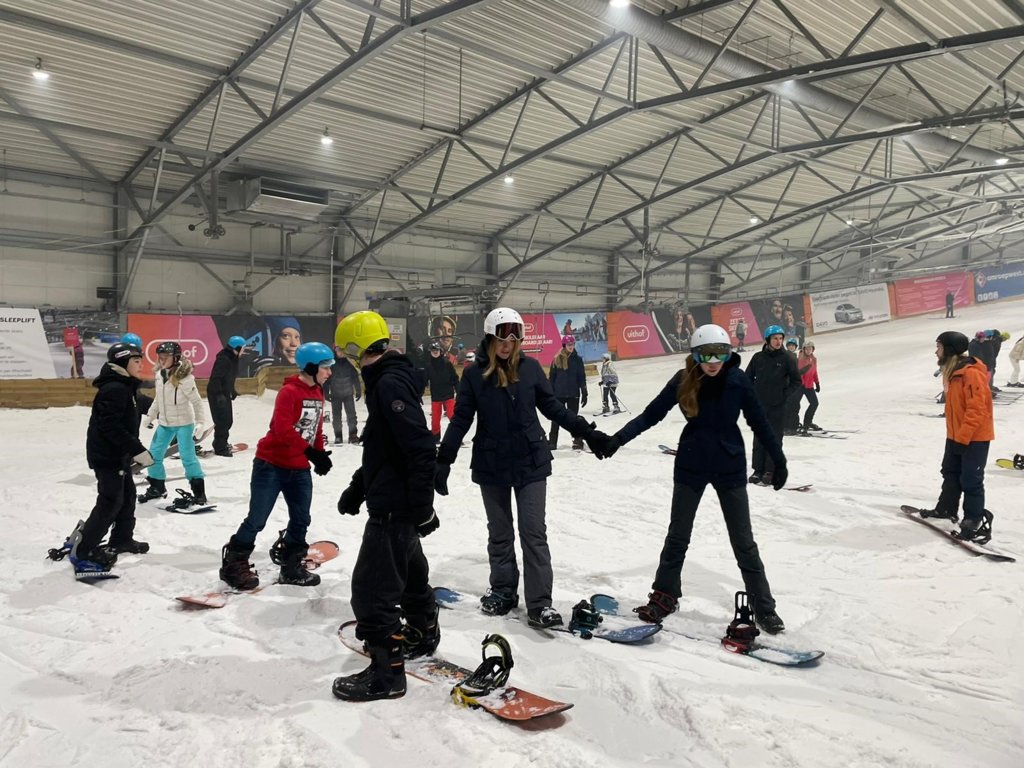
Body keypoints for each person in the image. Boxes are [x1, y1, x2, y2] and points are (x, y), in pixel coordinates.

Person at [586, 324, 788, 634]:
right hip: (691, 465)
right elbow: (650, 415)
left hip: (730, 467)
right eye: (706, 355)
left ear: (729, 354)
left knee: (743, 541)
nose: (713, 361)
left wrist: (779, 459)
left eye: (720, 354)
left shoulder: (737, 380)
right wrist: (617, 439)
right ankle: (665, 596)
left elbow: (759, 422)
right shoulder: (683, 380)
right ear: (695, 355)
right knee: (678, 536)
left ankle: (764, 607)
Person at [433, 307, 598, 629]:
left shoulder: (531, 368)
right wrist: (444, 458)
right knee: (500, 532)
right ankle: (503, 590)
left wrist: (587, 432)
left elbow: (553, 408)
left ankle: (540, 603)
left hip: (530, 459)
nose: (508, 345)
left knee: (533, 532)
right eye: (502, 338)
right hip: (491, 461)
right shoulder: (474, 374)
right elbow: (461, 418)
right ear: (490, 338)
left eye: (514, 338)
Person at [332, 310, 439, 702]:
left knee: (371, 591)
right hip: (396, 500)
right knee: (410, 576)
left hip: (395, 507)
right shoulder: (387, 379)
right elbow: (385, 449)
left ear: (355, 347)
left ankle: (386, 675)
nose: (345, 358)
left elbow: (420, 448)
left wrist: (421, 508)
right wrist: (357, 489)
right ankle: (423, 632)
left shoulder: (388, 383)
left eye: (346, 351)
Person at [219, 341, 335, 590]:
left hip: (299, 467)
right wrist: (310, 452)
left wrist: (320, 454)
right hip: (270, 465)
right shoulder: (289, 392)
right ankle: (234, 564)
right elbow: (282, 430)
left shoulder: (318, 392)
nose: (329, 372)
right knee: (257, 518)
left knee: (301, 519)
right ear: (311, 367)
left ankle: (291, 567)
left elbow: (315, 428)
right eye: (326, 367)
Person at [66, 342, 155, 576]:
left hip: (119, 455)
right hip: (107, 456)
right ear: (123, 362)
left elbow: (142, 404)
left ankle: (121, 539)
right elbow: (110, 426)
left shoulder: (126, 386)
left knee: (128, 496)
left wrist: (168, 409)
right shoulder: (115, 389)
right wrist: (137, 450)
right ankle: (84, 550)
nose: (141, 365)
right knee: (111, 501)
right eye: (136, 361)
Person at [917, 331, 995, 542]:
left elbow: (977, 410)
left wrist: (963, 438)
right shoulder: (953, 373)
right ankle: (946, 509)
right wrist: (956, 437)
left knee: (971, 479)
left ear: (949, 350)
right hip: (955, 434)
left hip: (974, 437)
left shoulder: (971, 374)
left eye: (939, 347)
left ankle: (973, 520)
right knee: (950, 472)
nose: (936, 351)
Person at [138, 342, 207, 506]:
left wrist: (200, 423)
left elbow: (197, 402)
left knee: (188, 457)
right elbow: (158, 399)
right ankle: (157, 487)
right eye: (160, 357)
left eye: (165, 357)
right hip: (165, 423)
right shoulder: (159, 375)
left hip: (184, 423)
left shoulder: (185, 379)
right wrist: (150, 416)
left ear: (176, 358)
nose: (161, 360)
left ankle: (199, 492)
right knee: (153, 456)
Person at [745, 325, 800, 486]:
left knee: (774, 438)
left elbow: (796, 381)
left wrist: (784, 395)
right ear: (768, 339)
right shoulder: (757, 358)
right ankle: (758, 470)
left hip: (778, 406)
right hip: (759, 406)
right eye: (775, 338)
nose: (778, 341)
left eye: (780, 338)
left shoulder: (787, 359)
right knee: (759, 438)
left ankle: (770, 470)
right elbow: (747, 378)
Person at [207, 336, 248, 456]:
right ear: (237, 348)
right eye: (243, 348)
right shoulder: (224, 359)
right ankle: (220, 447)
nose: (244, 351)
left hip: (224, 392)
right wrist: (219, 395)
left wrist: (232, 390)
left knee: (227, 421)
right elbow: (215, 378)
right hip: (216, 393)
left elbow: (228, 377)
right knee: (223, 421)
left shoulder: (233, 358)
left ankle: (220, 443)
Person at [548, 334, 588, 450]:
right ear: (564, 345)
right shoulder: (556, 359)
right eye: (569, 344)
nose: (571, 346)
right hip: (559, 394)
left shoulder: (578, 360)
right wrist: (550, 393)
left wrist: (584, 391)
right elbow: (552, 378)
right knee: (556, 419)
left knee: (573, 419)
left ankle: (577, 441)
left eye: (572, 344)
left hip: (573, 394)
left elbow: (581, 376)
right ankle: (552, 442)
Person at [326, 345, 362, 445]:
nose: (341, 352)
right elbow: (327, 379)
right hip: (335, 395)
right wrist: (326, 392)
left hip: (348, 394)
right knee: (336, 416)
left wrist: (358, 390)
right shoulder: (331, 364)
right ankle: (338, 436)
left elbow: (355, 377)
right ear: (335, 351)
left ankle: (353, 435)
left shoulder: (349, 363)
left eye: (342, 350)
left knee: (352, 416)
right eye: (339, 350)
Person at [425, 341, 459, 442]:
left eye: (437, 350)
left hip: (448, 394)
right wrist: (418, 393)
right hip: (436, 396)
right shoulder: (428, 366)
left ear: (440, 351)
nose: (435, 352)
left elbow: (454, 378)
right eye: (433, 350)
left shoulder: (447, 363)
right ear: (430, 352)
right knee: (435, 419)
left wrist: (459, 390)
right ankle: (435, 438)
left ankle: (456, 436)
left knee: (452, 415)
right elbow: (424, 380)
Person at [797, 341, 821, 432]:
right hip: (800, 386)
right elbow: (799, 373)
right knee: (795, 405)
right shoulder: (800, 359)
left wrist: (817, 383)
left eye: (810, 348)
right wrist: (802, 384)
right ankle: (792, 423)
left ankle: (808, 422)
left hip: (809, 385)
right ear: (803, 349)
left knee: (814, 403)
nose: (808, 350)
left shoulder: (813, 359)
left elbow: (814, 372)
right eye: (807, 349)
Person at [783, 338, 801, 435]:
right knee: (788, 407)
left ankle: (793, 426)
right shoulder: (785, 356)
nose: (791, 347)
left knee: (795, 406)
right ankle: (786, 426)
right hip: (787, 386)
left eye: (793, 346)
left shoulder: (795, 357)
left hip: (794, 386)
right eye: (789, 345)